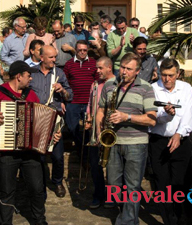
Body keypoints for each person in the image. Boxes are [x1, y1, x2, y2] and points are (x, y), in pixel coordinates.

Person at [0, 61, 57, 225]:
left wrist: (52, 135)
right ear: (19, 76)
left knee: (37, 189)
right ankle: (5, 222)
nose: (31, 78)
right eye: (28, 75)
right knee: (7, 191)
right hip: (6, 152)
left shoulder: (31, 95)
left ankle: (39, 221)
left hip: (29, 151)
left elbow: (41, 120)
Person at [96, 52, 157, 225]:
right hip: (112, 142)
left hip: (136, 143)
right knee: (114, 185)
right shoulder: (109, 85)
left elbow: (152, 119)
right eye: (122, 67)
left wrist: (126, 117)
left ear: (137, 71)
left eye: (129, 69)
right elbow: (101, 110)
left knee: (132, 186)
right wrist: (100, 130)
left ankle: (129, 221)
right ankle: (125, 215)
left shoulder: (146, 87)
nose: (124, 72)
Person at [149, 58, 192, 225]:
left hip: (180, 141)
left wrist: (179, 134)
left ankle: (179, 214)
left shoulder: (186, 88)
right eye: (164, 75)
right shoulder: (153, 89)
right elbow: (153, 117)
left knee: (180, 182)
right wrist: (167, 115)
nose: (167, 79)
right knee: (162, 183)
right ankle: (169, 220)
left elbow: (188, 114)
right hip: (158, 141)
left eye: (170, 75)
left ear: (178, 74)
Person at [30, 45, 73, 198]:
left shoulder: (59, 73)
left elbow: (70, 96)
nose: (55, 59)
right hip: (37, 119)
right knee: (39, 154)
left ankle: (57, 181)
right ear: (41, 58)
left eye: (55, 56)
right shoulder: (31, 74)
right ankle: (39, 183)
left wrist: (62, 91)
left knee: (57, 155)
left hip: (54, 119)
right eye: (51, 57)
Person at [84, 56, 114, 209]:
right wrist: (89, 117)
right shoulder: (95, 84)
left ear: (109, 67)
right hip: (95, 132)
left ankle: (111, 196)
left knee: (112, 167)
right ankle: (98, 194)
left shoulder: (117, 84)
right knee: (96, 166)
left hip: (110, 133)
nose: (97, 71)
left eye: (100, 68)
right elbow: (90, 103)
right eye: (97, 68)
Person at [64, 40, 98, 160]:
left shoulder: (94, 63)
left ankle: (87, 156)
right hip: (73, 102)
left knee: (89, 130)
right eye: (80, 50)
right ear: (75, 50)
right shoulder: (68, 64)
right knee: (73, 129)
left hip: (89, 103)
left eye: (85, 50)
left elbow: (98, 81)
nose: (82, 52)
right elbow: (65, 82)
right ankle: (81, 151)